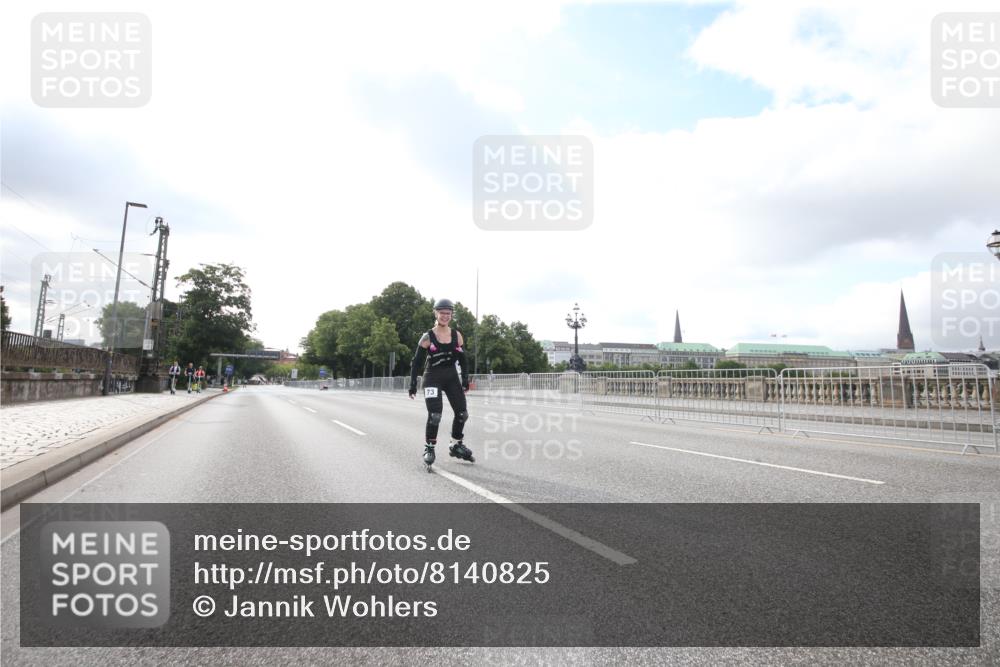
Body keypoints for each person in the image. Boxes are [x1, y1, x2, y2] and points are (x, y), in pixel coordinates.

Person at [409, 298, 473, 467]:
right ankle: (429, 448)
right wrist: (413, 384)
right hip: (432, 378)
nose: (445, 316)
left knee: (462, 414)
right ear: (435, 313)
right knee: (435, 415)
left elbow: (463, 360)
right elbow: (416, 363)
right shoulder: (427, 337)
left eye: (448, 313)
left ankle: (456, 445)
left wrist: (465, 379)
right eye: (442, 313)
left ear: (451, 314)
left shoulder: (457, 336)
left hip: (451, 378)